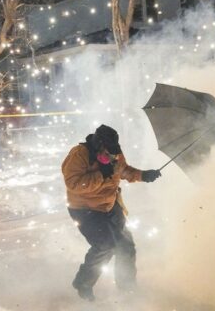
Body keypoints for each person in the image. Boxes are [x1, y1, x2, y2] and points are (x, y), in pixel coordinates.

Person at [61, 124, 161, 301]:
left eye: (115, 152)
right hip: (85, 209)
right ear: (98, 145)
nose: (113, 156)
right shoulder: (79, 155)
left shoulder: (115, 151)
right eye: (108, 153)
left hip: (110, 204)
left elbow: (124, 170)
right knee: (105, 245)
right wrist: (101, 175)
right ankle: (83, 284)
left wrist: (143, 175)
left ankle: (127, 287)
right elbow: (74, 184)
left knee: (126, 246)